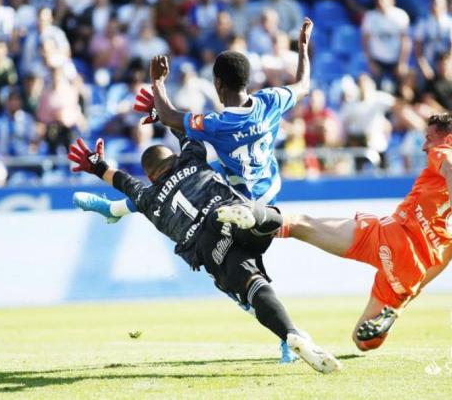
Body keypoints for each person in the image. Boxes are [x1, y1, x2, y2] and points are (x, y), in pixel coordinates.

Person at [73, 17, 313, 362]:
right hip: (267, 193)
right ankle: (115, 209)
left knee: (173, 192)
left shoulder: (216, 124)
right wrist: (302, 48)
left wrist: (158, 87)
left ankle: (114, 210)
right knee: (187, 179)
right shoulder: (271, 100)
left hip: (237, 198)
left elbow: (177, 121)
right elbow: (303, 84)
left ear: (217, 83)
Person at [67, 134, 341, 374]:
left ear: (150, 177)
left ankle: (290, 333)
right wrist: (161, 108)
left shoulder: (146, 198)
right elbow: (185, 129)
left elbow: (124, 182)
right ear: (174, 157)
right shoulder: (190, 160)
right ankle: (252, 217)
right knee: (267, 223)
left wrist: (97, 166)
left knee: (252, 285)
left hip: (207, 248)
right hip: (221, 212)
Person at [276, 114, 452, 351]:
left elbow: (451, 168)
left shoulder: (446, 154)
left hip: (392, 236)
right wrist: (412, 290)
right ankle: (389, 316)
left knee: (298, 224)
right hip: (411, 270)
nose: (425, 146)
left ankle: (244, 219)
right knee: (363, 341)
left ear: (448, 140)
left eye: (429, 139)